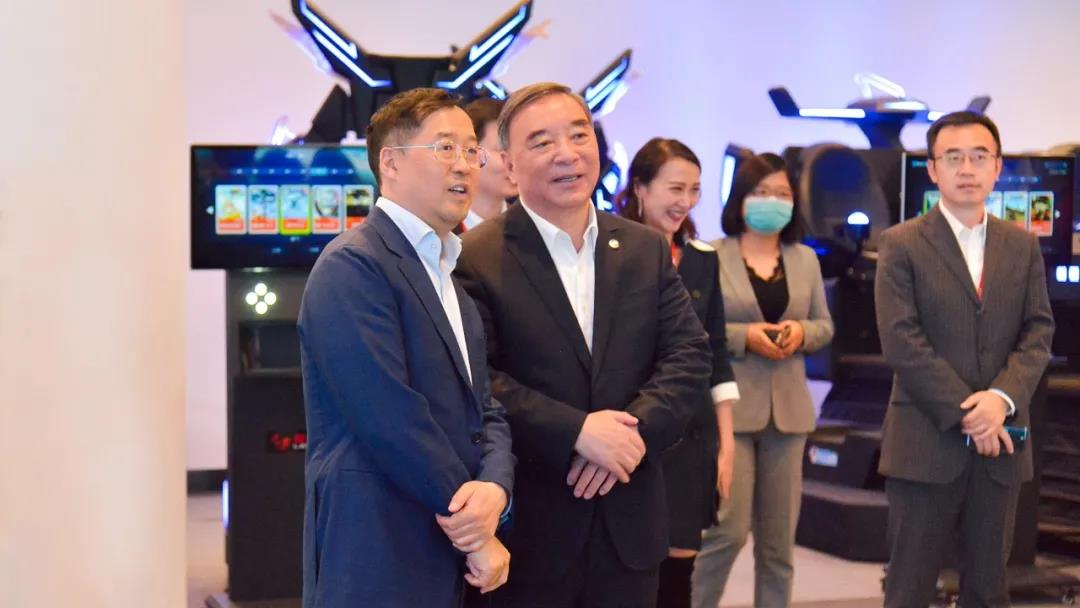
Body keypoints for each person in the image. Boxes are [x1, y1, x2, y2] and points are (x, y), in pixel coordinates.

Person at [455, 82, 711, 608]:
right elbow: (477, 379)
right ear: (508, 163)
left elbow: (688, 355)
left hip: (629, 525)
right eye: (542, 142)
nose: (567, 154)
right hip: (530, 532)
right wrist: (577, 433)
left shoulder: (643, 248)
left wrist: (627, 437)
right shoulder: (474, 256)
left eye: (579, 135)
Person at [298, 88, 515, 608]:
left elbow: (484, 408)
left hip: (443, 543)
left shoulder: (448, 277)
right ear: (390, 163)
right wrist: (474, 529)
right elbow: (388, 415)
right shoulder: (353, 265)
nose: (464, 164)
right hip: (377, 543)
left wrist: (496, 490)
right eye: (445, 147)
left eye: (472, 150)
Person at [874, 111, 1054, 607]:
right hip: (924, 443)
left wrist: (1000, 400)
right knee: (908, 589)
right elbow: (901, 340)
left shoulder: (1022, 245)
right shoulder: (901, 243)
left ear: (997, 168)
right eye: (953, 158)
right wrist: (970, 413)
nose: (967, 169)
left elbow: (1038, 331)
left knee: (988, 589)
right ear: (933, 170)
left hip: (1002, 446)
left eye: (979, 156)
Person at [691, 153, 834, 608]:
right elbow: (695, 329)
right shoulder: (710, 255)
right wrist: (745, 336)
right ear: (740, 198)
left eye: (782, 193)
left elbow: (824, 326)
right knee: (726, 533)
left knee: (778, 545)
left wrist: (801, 332)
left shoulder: (804, 259)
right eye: (761, 191)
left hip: (788, 414)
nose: (772, 201)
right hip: (729, 412)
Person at [614, 137, 739, 608]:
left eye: (694, 190)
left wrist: (726, 443)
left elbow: (716, 351)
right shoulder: (609, 252)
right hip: (631, 429)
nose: (685, 201)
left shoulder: (703, 258)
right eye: (675, 188)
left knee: (680, 567)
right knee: (631, 565)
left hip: (692, 434)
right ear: (640, 187)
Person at [460, 97, 518, 231]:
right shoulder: (438, 229)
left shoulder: (531, 228)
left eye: (520, 150)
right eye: (501, 150)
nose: (515, 163)